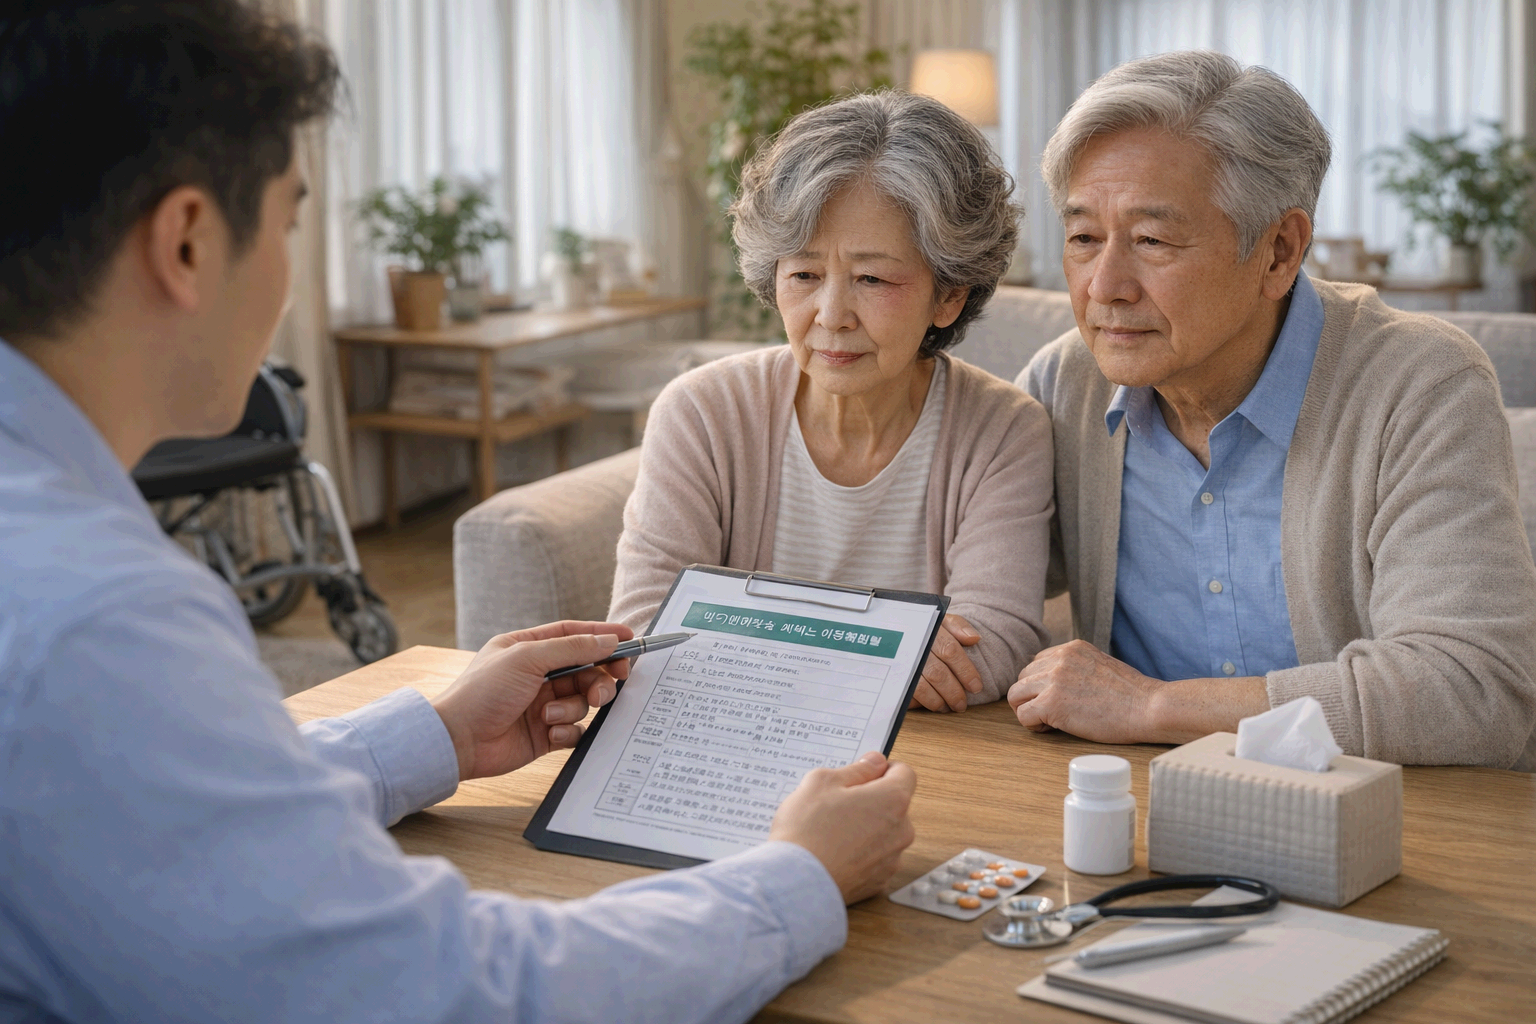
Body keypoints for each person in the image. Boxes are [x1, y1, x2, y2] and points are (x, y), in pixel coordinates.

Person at [0, 4, 919, 1021]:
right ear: (185, 241)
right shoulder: (96, 618)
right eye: (292, 220)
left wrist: (434, 733)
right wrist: (797, 874)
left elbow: (151, 814)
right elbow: (452, 992)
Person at [1010, 50, 1536, 770]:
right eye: (1082, 239)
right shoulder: (1067, 384)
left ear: (1280, 250)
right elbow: (962, 596)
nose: (1104, 286)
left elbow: (1474, 692)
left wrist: (1153, 707)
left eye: (1152, 240)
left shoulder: (1420, 384)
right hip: (1144, 815)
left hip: (1394, 829)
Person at [610, 92, 1055, 712]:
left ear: (949, 295)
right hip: (725, 744)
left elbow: (992, 648)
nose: (831, 316)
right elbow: (647, 633)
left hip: (913, 768)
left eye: (872, 278)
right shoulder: (702, 412)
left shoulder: (1004, 430)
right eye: (804, 275)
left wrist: (743, 638)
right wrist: (893, 648)